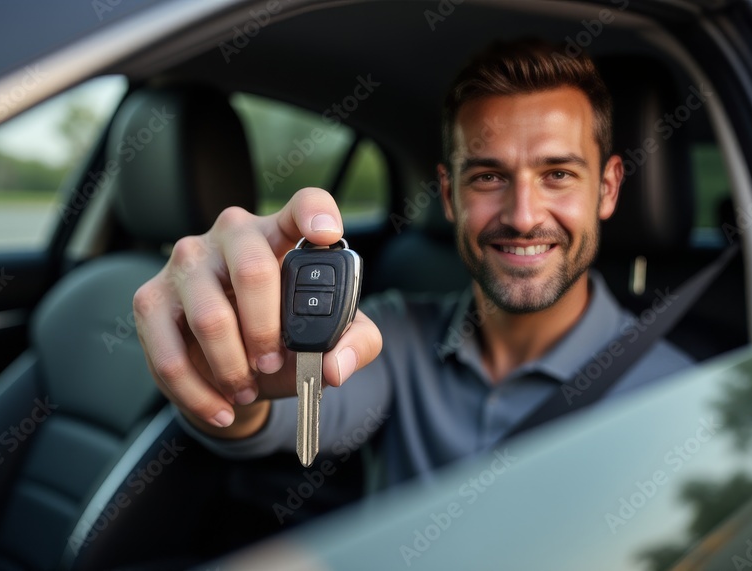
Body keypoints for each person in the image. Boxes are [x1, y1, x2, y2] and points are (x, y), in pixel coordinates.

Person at [132, 38, 692, 486]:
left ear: (608, 188)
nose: (523, 216)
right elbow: (270, 413)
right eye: (488, 176)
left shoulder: (681, 397)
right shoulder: (393, 335)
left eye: (558, 175)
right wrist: (227, 370)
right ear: (448, 195)